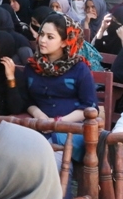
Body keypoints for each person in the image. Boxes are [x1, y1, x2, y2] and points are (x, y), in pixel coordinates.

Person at [23, 13, 97, 165]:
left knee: (49, 158)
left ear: (64, 42)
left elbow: (89, 106)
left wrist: (56, 122)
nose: (42, 40)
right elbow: (27, 100)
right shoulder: (32, 66)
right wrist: (39, 115)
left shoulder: (79, 68)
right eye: (41, 34)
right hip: (38, 126)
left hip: (72, 129)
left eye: (50, 37)